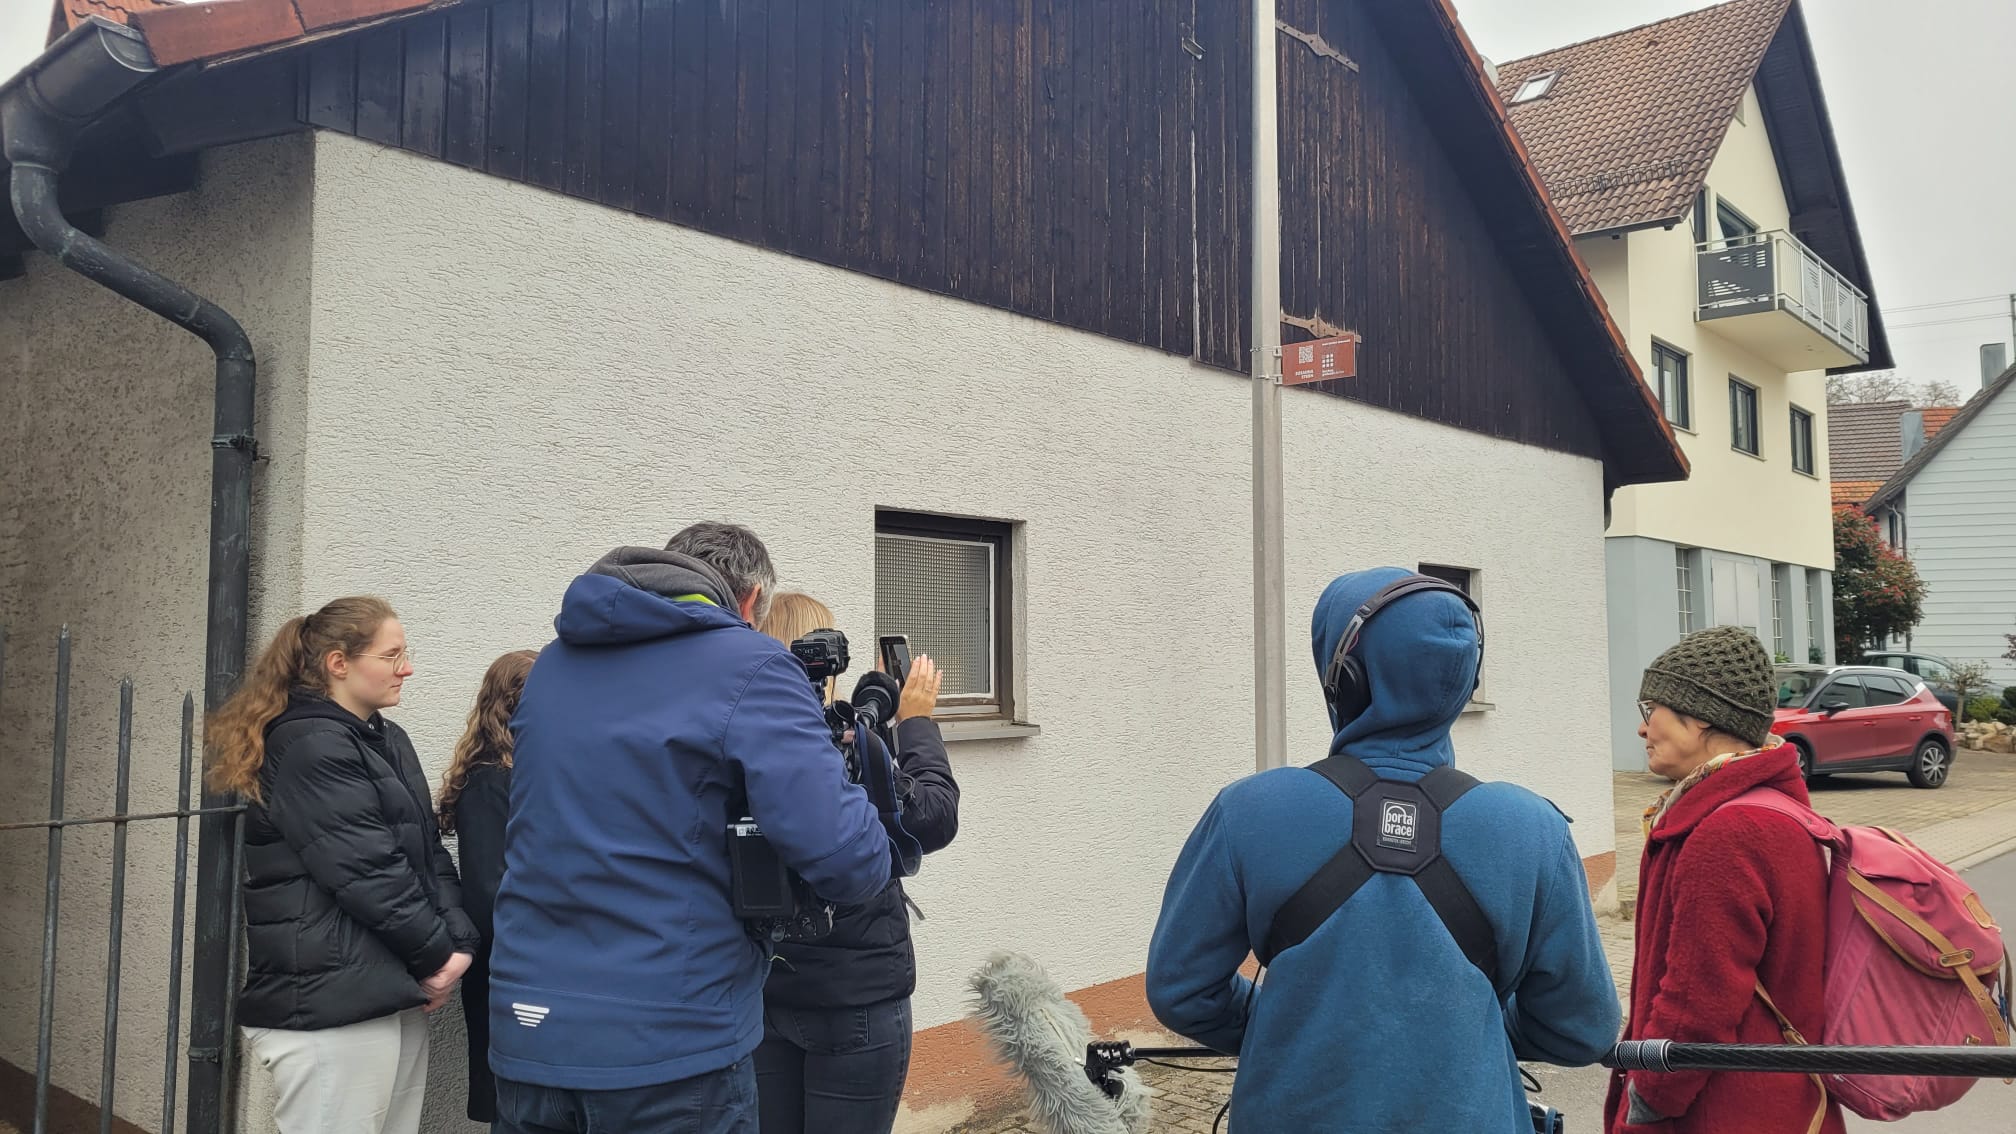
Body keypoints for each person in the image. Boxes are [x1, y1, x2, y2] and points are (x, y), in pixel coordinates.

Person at [1145, 567, 1620, 1132]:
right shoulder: (1532, 829)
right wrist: (1467, 1026)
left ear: (1342, 678)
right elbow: (1583, 1028)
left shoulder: (1249, 810)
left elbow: (1181, 989)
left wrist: (1279, 1019)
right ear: (1464, 683)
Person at [488, 523, 894, 1134]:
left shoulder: (552, 667)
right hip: (670, 1042)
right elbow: (846, 857)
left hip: (530, 1029)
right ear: (752, 601)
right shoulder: (751, 662)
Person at [207, 596, 479, 1134]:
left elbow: (424, 855)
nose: (408, 668)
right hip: (327, 1003)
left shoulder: (384, 739)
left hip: (385, 989)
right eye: (392, 655)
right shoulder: (310, 743)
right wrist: (436, 957)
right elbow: (366, 870)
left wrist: (458, 945)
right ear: (339, 663)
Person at [1605, 626, 1841, 1134]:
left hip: (1719, 1112)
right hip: (1781, 1103)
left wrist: (1646, 1101)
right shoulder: (1773, 809)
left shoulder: (1727, 831)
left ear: (1701, 718)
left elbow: (1695, 1004)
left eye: (1652, 710)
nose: (1643, 729)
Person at [752, 593, 960, 1134]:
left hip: (766, 990)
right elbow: (930, 817)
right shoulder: (833, 747)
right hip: (856, 999)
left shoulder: (742, 741)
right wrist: (916, 724)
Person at [436, 648, 540, 1129]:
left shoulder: (521, 774)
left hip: (523, 970)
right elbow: (489, 892)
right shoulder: (489, 782)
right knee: (515, 1105)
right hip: (510, 973)